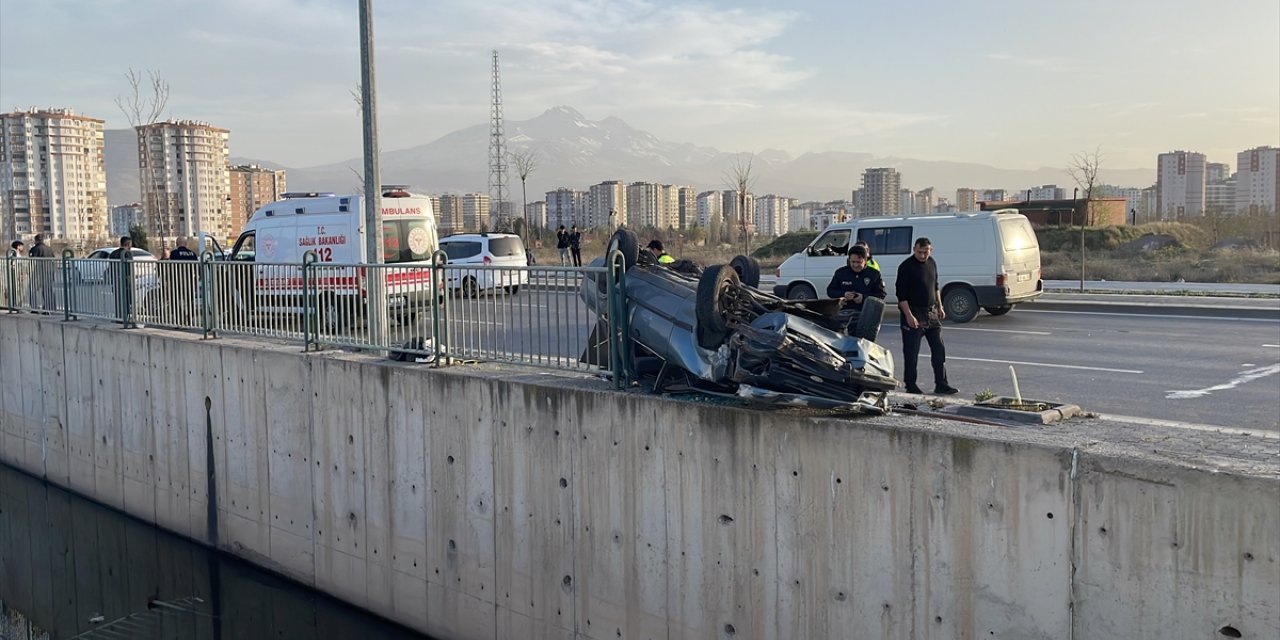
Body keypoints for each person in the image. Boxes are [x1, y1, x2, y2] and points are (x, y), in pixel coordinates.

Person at [896, 237, 957, 395]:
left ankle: (941, 383)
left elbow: (935, 286)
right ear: (914, 249)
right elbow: (901, 296)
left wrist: (940, 306)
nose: (923, 255)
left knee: (939, 350)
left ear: (931, 250)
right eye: (919, 252)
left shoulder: (932, 263)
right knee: (911, 353)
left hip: (931, 313)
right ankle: (911, 385)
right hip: (913, 312)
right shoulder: (906, 267)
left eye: (926, 252)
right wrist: (909, 316)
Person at [826, 245, 885, 334]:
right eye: (853, 262)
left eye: (859, 262)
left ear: (865, 260)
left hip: (865, 316)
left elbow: (881, 294)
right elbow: (830, 291)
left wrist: (864, 297)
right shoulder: (841, 273)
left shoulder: (874, 274)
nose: (855, 265)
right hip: (843, 315)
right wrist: (843, 294)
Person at [27, 234, 56, 312]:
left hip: (39, 273)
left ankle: (34, 308)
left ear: (36, 240)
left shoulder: (35, 249)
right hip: (49, 272)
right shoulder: (49, 249)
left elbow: (31, 261)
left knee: (32, 290)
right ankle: (49, 308)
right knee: (48, 290)